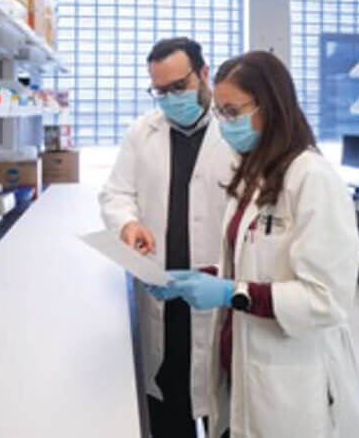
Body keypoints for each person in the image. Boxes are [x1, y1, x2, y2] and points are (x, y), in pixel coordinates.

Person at [150, 50, 359, 438]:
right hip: (241, 366)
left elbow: (325, 300)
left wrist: (231, 292)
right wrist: (197, 278)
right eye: (219, 112)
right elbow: (252, 265)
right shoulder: (254, 172)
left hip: (292, 379)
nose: (225, 123)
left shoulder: (312, 179)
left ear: (271, 105)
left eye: (233, 112)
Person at [99, 37, 236, 437]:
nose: (170, 98)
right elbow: (116, 192)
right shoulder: (143, 132)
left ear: (204, 74)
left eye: (179, 87)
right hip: (162, 293)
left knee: (223, 405)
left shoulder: (236, 133)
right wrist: (127, 223)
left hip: (218, 293)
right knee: (168, 405)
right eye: (160, 91)